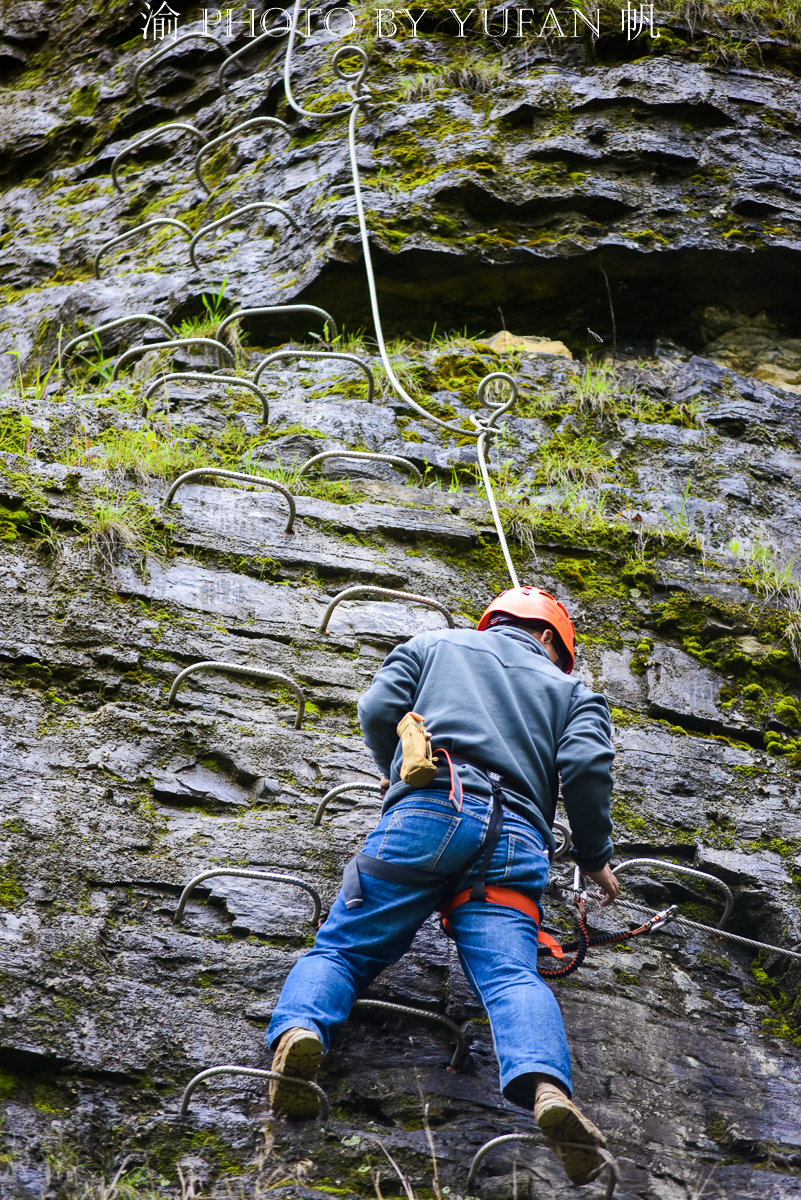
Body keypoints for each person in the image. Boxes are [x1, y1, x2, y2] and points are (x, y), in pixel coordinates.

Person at [266, 586, 618, 1186]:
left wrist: (396, 771)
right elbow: (586, 768)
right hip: (515, 841)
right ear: (555, 641)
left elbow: (378, 708)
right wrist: (593, 856)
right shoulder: (575, 692)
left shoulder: (431, 644)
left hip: (431, 808)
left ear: (494, 621)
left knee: (345, 949)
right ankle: (548, 1093)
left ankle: (301, 1031)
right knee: (511, 977)